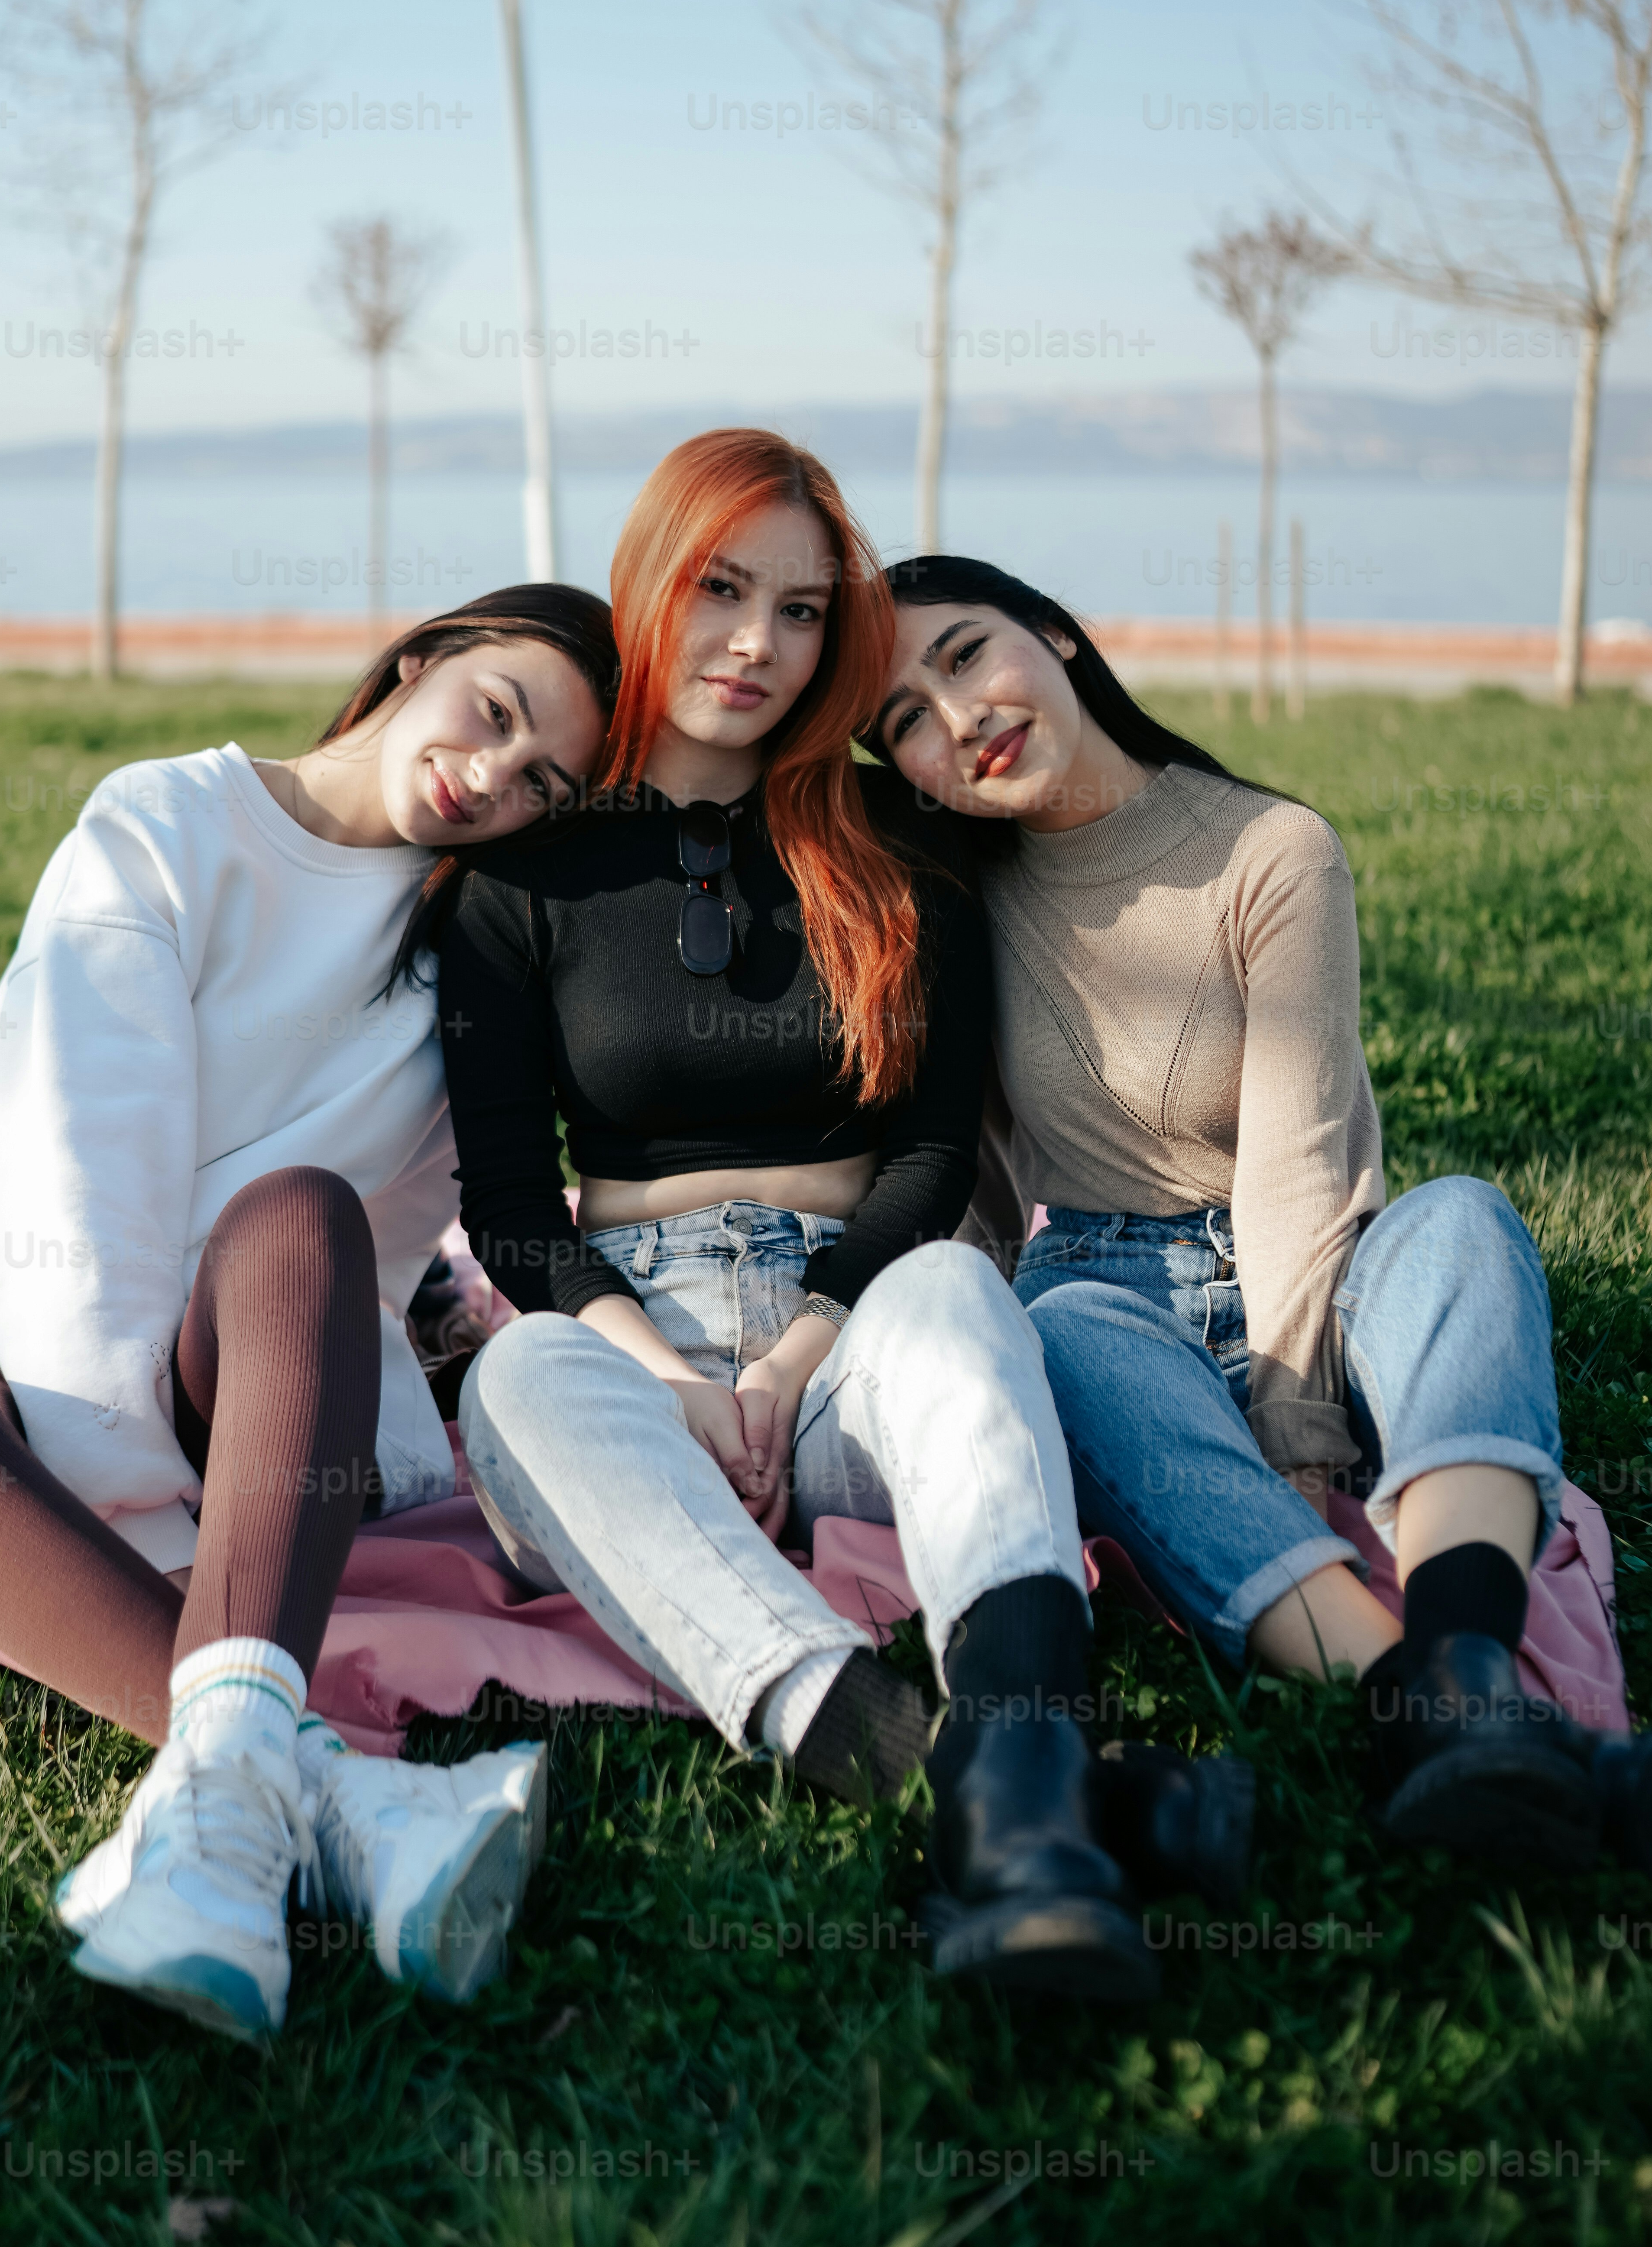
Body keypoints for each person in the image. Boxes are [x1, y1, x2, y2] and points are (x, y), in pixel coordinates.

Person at [441, 432, 1252, 2007]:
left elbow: (931, 1153)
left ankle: (1017, 1758)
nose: (755, 644)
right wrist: (674, 1378)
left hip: (855, 1331)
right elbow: (508, 1209)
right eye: (721, 589)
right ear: (651, 582)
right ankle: (976, 1784)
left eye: (803, 612)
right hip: (632, 1344)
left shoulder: (894, 841)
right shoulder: (520, 874)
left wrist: (795, 1356)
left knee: (961, 1301)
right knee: (511, 1382)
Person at [0, 586, 619, 2040]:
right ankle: (335, 1789)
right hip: (12, 1345)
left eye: (542, 780)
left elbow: (376, 1264)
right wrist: (132, 1490)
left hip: (239, 1383)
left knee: (304, 1212)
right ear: (420, 656)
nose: (494, 775)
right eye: (495, 711)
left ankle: (228, 1807)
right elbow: (70, 1151)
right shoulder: (170, 817)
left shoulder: (466, 963)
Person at [872, 551, 1652, 1881]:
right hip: (1107, 1302)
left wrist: (1298, 1420)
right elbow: (962, 1179)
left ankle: (1467, 1656)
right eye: (905, 715)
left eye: (965, 654)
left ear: (1060, 640)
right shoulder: (954, 899)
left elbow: (1300, 1163)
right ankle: (1428, 1708)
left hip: (1311, 1275)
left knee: (1464, 1217)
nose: (955, 716)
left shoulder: (1269, 849)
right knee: (1061, 1321)